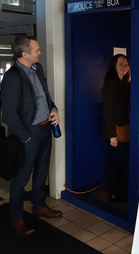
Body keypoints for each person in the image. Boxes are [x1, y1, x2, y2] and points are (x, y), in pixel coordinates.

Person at [1, 36, 62, 237]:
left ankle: (38, 206)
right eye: (36, 50)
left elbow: (45, 96)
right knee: (21, 178)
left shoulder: (38, 69)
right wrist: (26, 137)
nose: (40, 52)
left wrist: (53, 109)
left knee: (42, 170)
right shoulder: (12, 77)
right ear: (24, 54)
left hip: (46, 129)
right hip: (28, 134)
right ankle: (16, 217)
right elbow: (8, 114)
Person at [102, 54, 130, 203]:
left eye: (126, 64)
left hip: (125, 129)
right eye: (120, 64)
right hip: (115, 131)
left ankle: (120, 191)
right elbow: (107, 112)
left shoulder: (126, 83)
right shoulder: (110, 84)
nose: (123, 67)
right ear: (114, 65)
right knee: (115, 163)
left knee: (121, 162)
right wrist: (112, 135)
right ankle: (113, 193)